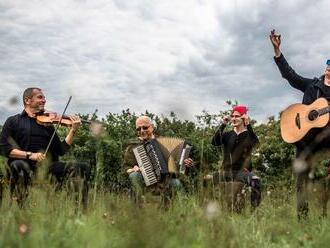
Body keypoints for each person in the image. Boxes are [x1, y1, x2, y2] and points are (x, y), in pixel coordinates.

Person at [270, 29, 330, 219]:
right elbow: (290, 75)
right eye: (328, 62)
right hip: (304, 142)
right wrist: (278, 51)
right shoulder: (312, 85)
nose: (329, 66)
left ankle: (322, 219)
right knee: (301, 184)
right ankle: (303, 221)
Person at [0, 87, 89, 207]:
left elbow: (61, 150)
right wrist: (30, 155)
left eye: (44, 98)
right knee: (18, 165)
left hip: (46, 168)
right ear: (27, 100)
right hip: (23, 166)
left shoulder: (47, 124)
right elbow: (5, 148)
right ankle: (19, 206)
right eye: (40, 97)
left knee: (83, 167)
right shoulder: (13, 121)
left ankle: (79, 208)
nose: (44, 100)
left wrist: (73, 130)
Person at [123, 115, 194, 206]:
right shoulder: (133, 146)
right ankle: (138, 209)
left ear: (152, 127)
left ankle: (178, 211)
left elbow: (180, 167)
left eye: (145, 127)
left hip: (165, 181)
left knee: (176, 183)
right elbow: (125, 168)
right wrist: (133, 169)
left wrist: (186, 164)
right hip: (145, 181)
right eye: (138, 129)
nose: (142, 131)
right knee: (134, 175)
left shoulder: (163, 142)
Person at [207, 105, 261, 210]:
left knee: (256, 181)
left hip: (242, 172)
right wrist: (223, 124)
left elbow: (256, 144)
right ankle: (210, 209)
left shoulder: (248, 135)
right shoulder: (228, 135)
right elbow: (214, 142)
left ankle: (254, 211)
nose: (234, 118)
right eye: (233, 116)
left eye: (237, 116)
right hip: (226, 172)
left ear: (243, 118)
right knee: (207, 179)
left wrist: (248, 125)